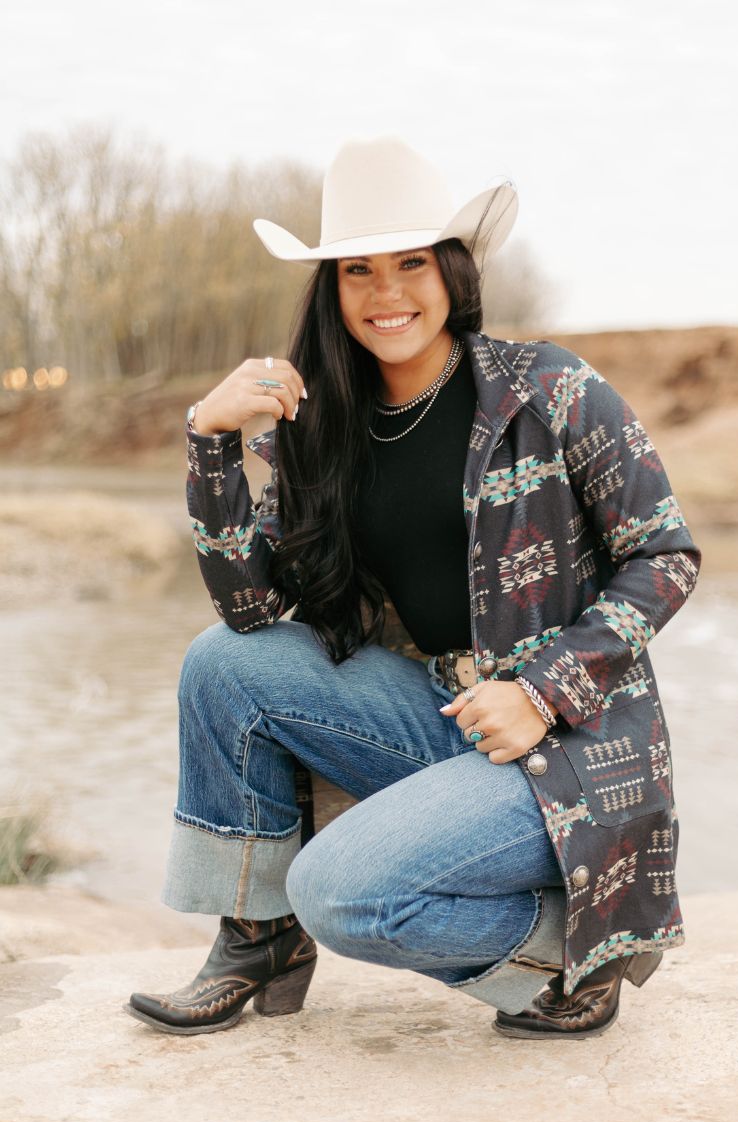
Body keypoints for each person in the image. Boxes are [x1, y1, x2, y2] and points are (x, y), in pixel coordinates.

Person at [126, 136, 701, 1040]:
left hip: (572, 750)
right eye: (358, 270)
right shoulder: (324, 424)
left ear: (452, 271)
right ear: (332, 289)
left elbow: (665, 556)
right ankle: (258, 937)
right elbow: (251, 613)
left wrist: (541, 694)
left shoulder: (549, 389)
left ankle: (573, 947)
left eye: (411, 264)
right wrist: (210, 444)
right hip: (438, 716)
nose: (385, 292)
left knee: (339, 891)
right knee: (222, 665)